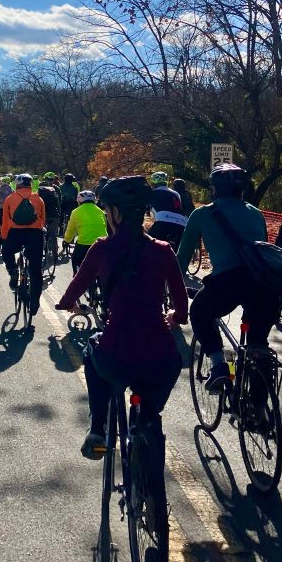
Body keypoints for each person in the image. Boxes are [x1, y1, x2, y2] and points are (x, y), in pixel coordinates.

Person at [56, 176, 188, 460]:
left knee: (92, 350)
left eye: (107, 212)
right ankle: (149, 421)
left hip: (117, 355)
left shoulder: (103, 248)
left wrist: (71, 305)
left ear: (116, 213)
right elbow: (182, 307)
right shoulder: (163, 250)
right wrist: (173, 317)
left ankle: (98, 429)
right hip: (161, 361)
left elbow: (70, 294)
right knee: (153, 404)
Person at [176, 164, 272, 393]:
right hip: (264, 284)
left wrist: (173, 285)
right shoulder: (255, 213)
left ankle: (219, 366)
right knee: (258, 344)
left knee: (199, 312)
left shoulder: (202, 214)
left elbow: (182, 258)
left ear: (214, 189)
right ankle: (260, 409)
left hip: (227, 283)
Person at [1, 173, 46, 313]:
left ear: (17, 184)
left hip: (16, 234)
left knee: (7, 251)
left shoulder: (10, 198)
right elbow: (42, 220)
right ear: (30, 184)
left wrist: (4, 237)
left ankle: (13, 270)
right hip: (35, 235)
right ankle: (34, 303)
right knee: (36, 269)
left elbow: (6, 221)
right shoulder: (38, 199)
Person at [63, 190, 108, 273]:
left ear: (79, 201)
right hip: (102, 244)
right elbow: (105, 226)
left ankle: (78, 281)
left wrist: (67, 240)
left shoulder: (76, 211)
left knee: (75, 261)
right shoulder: (100, 211)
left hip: (84, 244)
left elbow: (71, 229)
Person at [149, 172, 187, 251]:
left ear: (153, 182)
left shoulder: (151, 193)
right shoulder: (176, 193)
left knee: (149, 246)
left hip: (162, 221)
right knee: (176, 252)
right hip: (182, 222)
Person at [38, 173, 61, 260]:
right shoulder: (56, 189)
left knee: (40, 234)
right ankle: (55, 254)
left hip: (43, 215)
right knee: (53, 234)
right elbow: (59, 203)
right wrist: (59, 214)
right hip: (54, 215)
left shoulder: (40, 189)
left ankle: (40, 252)